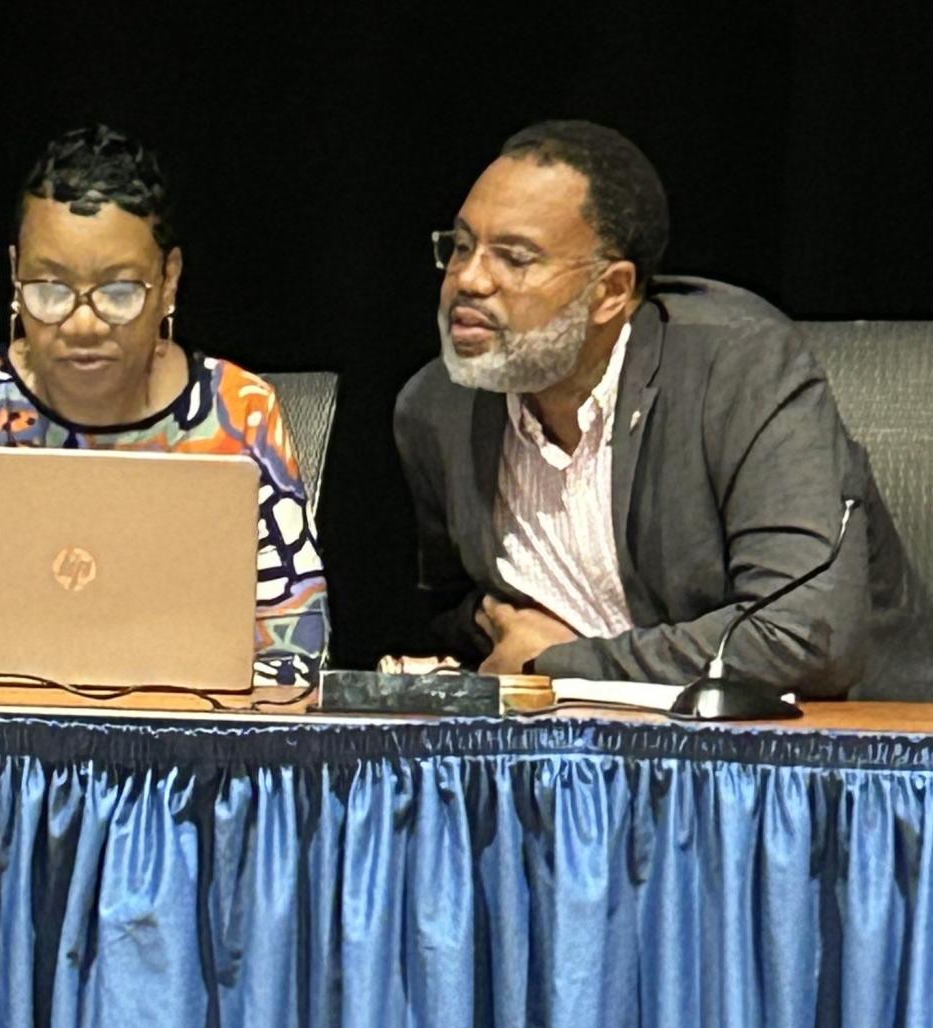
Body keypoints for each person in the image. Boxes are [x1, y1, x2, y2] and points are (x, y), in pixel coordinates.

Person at [394, 119, 932, 697]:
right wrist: (504, 637)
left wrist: (562, 662)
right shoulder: (436, 408)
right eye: (462, 245)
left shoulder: (736, 369)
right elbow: (458, 608)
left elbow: (803, 637)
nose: (469, 279)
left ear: (611, 292)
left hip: (825, 756)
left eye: (515, 258)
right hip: (576, 755)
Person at [0, 123, 329, 686]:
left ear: (168, 282)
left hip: (176, 754)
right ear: (14, 276)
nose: (83, 323)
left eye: (119, 292)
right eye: (50, 289)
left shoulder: (240, 413)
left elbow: (296, 651)